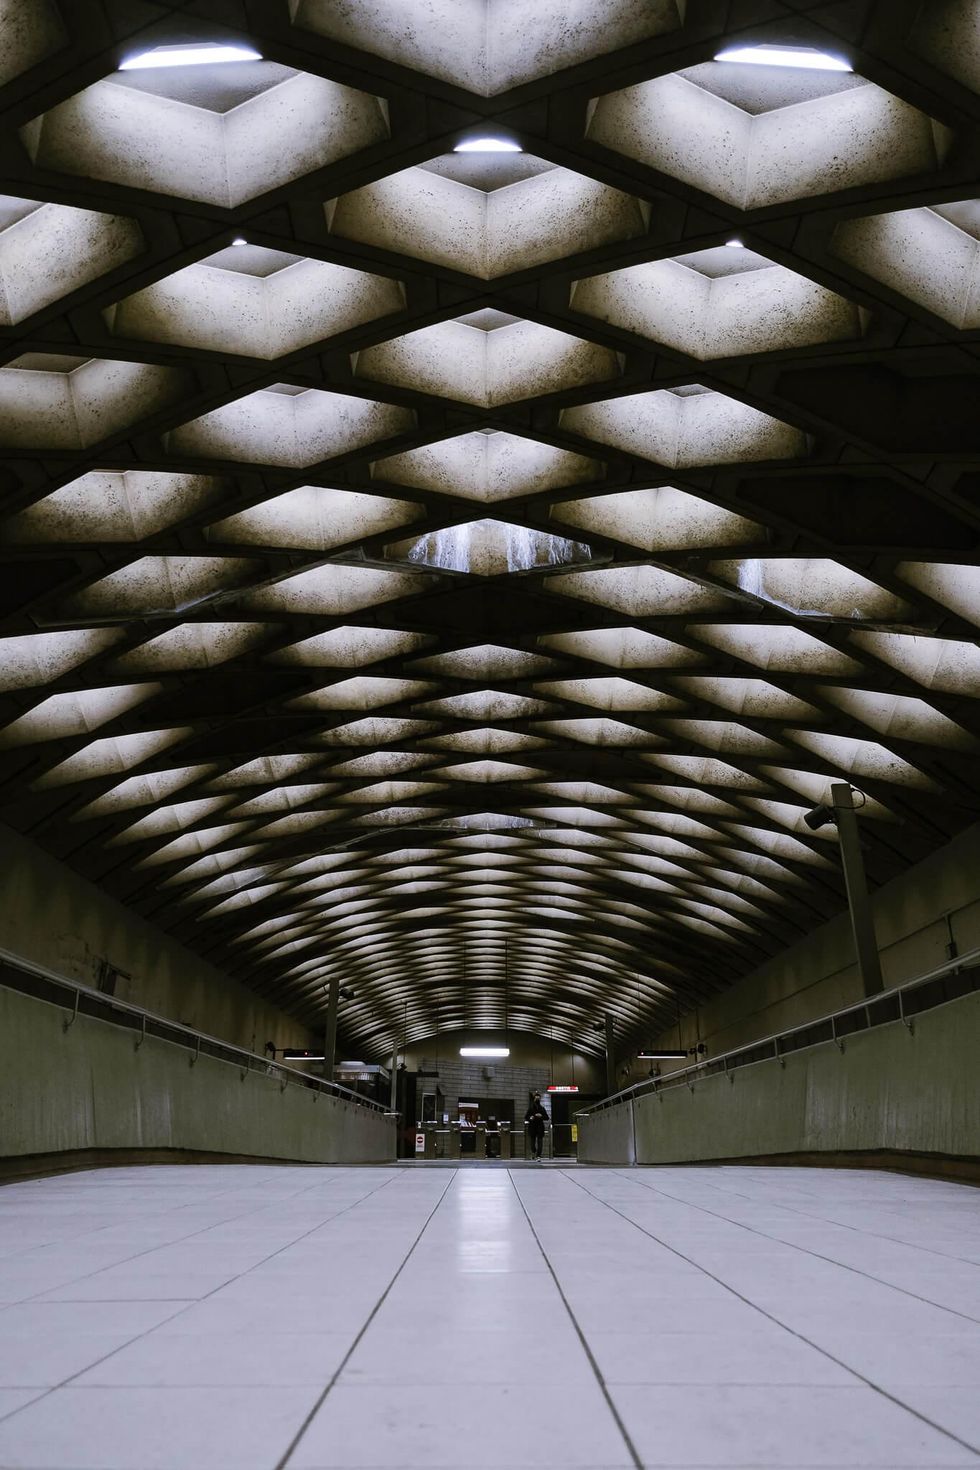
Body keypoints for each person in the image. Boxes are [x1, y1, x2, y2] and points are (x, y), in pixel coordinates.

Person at [524, 1092, 548, 1161]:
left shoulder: (542, 1108)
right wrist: (530, 1118)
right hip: (532, 1127)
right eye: (536, 1098)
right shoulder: (530, 1108)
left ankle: (538, 1156)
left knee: (540, 1142)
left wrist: (541, 1116)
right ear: (534, 1099)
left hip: (540, 1127)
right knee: (532, 1143)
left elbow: (547, 1117)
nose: (537, 1099)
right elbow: (526, 1117)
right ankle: (534, 1152)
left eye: (538, 1098)